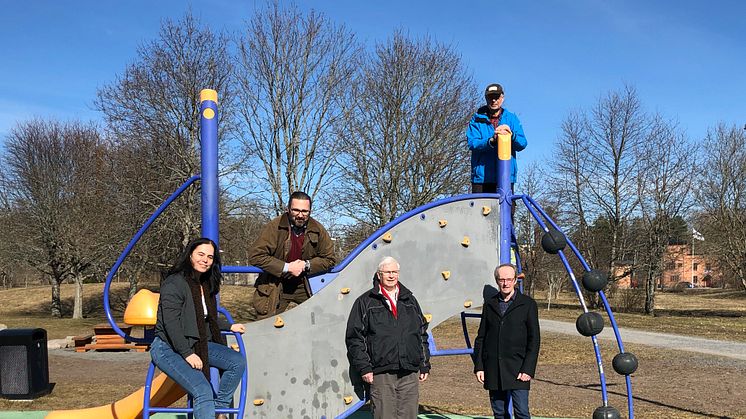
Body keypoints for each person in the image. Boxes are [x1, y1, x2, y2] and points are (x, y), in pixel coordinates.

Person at [151, 237, 246, 419]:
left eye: (210, 257)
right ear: (189, 256)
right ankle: (211, 409)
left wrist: (230, 325)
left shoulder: (204, 283)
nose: (205, 260)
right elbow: (171, 324)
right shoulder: (174, 283)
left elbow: (206, 318)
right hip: (169, 347)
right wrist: (187, 353)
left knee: (237, 362)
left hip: (197, 342)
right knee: (202, 390)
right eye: (201, 255)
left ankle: (219, 410)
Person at [345, 256, 431, 419]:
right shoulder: (365, 302)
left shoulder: (410, 300)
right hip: (381, 372)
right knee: (384, 414)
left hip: (409, 370)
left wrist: (424, 363)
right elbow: (355, 338)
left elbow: (421, 333)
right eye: (387, 272)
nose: (391, 276)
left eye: (394, 272)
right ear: (379, 275)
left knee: (409, 415)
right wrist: (365, 368)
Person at [248, 191, 336, 318]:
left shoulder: (318, 229)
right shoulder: (275, 227)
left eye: (305, 211)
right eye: (296, 210)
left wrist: (306, 265)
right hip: (275, 284)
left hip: (304, 284)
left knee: (322, 319)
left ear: (310, 211)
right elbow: (256, 255)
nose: (300, 215)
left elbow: (329, 259)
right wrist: (287, 267)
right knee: (267, 326)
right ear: (288, 209)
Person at [473, 263, 540, 419]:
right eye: (502, 279)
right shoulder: (490, 304)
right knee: (499, 413)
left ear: (515, 280)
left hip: (519, 369)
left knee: (522, 412)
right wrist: (479, 366)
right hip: (494, 368)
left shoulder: (528, 304)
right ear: (497, 281)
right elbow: (481, 337)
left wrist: (528, 369)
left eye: (509, 279)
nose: (506, 283)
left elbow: (534, 339)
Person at [467, 83, 528, 193]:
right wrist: (491, 141)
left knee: (507, 209)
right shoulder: (476, 120)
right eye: (490, 97)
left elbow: (522, 143)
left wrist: (511, 135)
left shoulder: (511, 118)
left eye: (496, 97)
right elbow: (472, 143)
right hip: (481, 179)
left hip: (505, 177)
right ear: (486, 98)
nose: (494, 101)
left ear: (502, 98)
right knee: (481, 210)